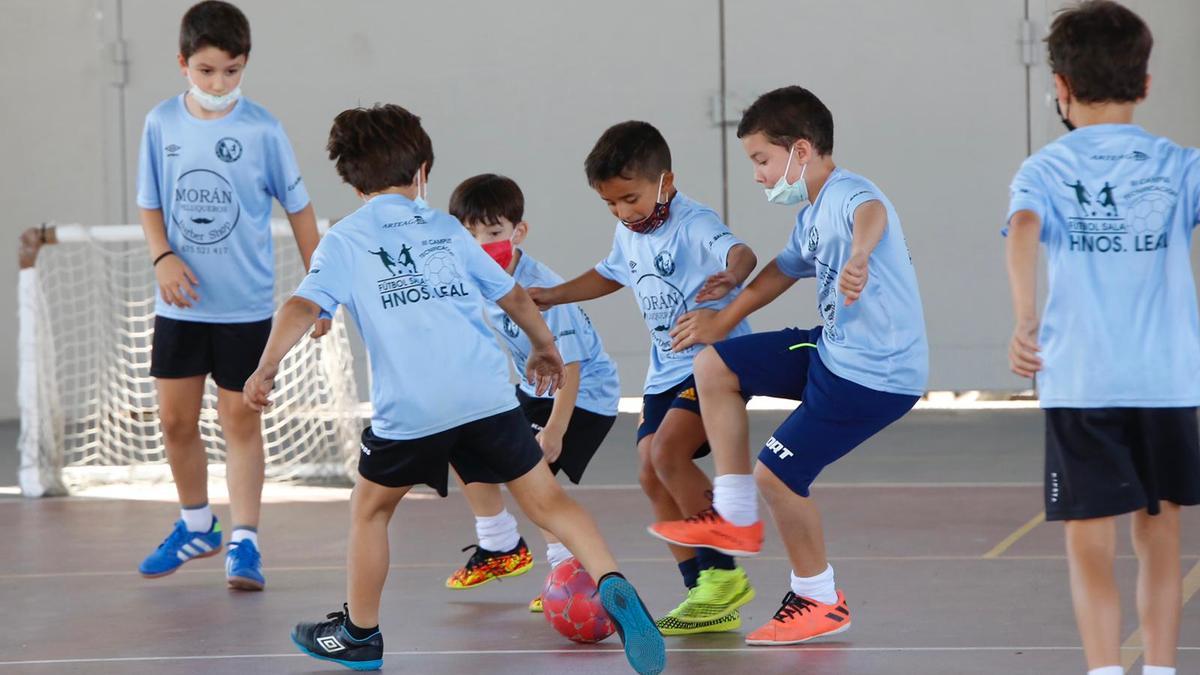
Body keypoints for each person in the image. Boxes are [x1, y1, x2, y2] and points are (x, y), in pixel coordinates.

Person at [1004, 3, 1199, 674]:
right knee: (1161, 533)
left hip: (1081, 376)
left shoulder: (1043, 169)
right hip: (1166, 379)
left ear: (1060, 86)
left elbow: (1025, 230)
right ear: (1145, 85)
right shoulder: (1180, 164)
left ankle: (1103, 668)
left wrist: (1026, 318)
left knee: (1090, 541)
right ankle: (1165, 667)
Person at [134, 0, 326, 591]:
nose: (219, 83)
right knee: (173, 422)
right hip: (182, 308)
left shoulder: (263, 129)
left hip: (244, 309)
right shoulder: (160, 123)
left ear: (245, 65)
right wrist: (163, 256)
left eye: (232, 71)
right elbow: (150, 203)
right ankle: (197, 523)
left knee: (240, 422)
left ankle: (245, 541)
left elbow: (300, 211)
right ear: (183, 63)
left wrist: (319, 291)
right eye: (207, 70)